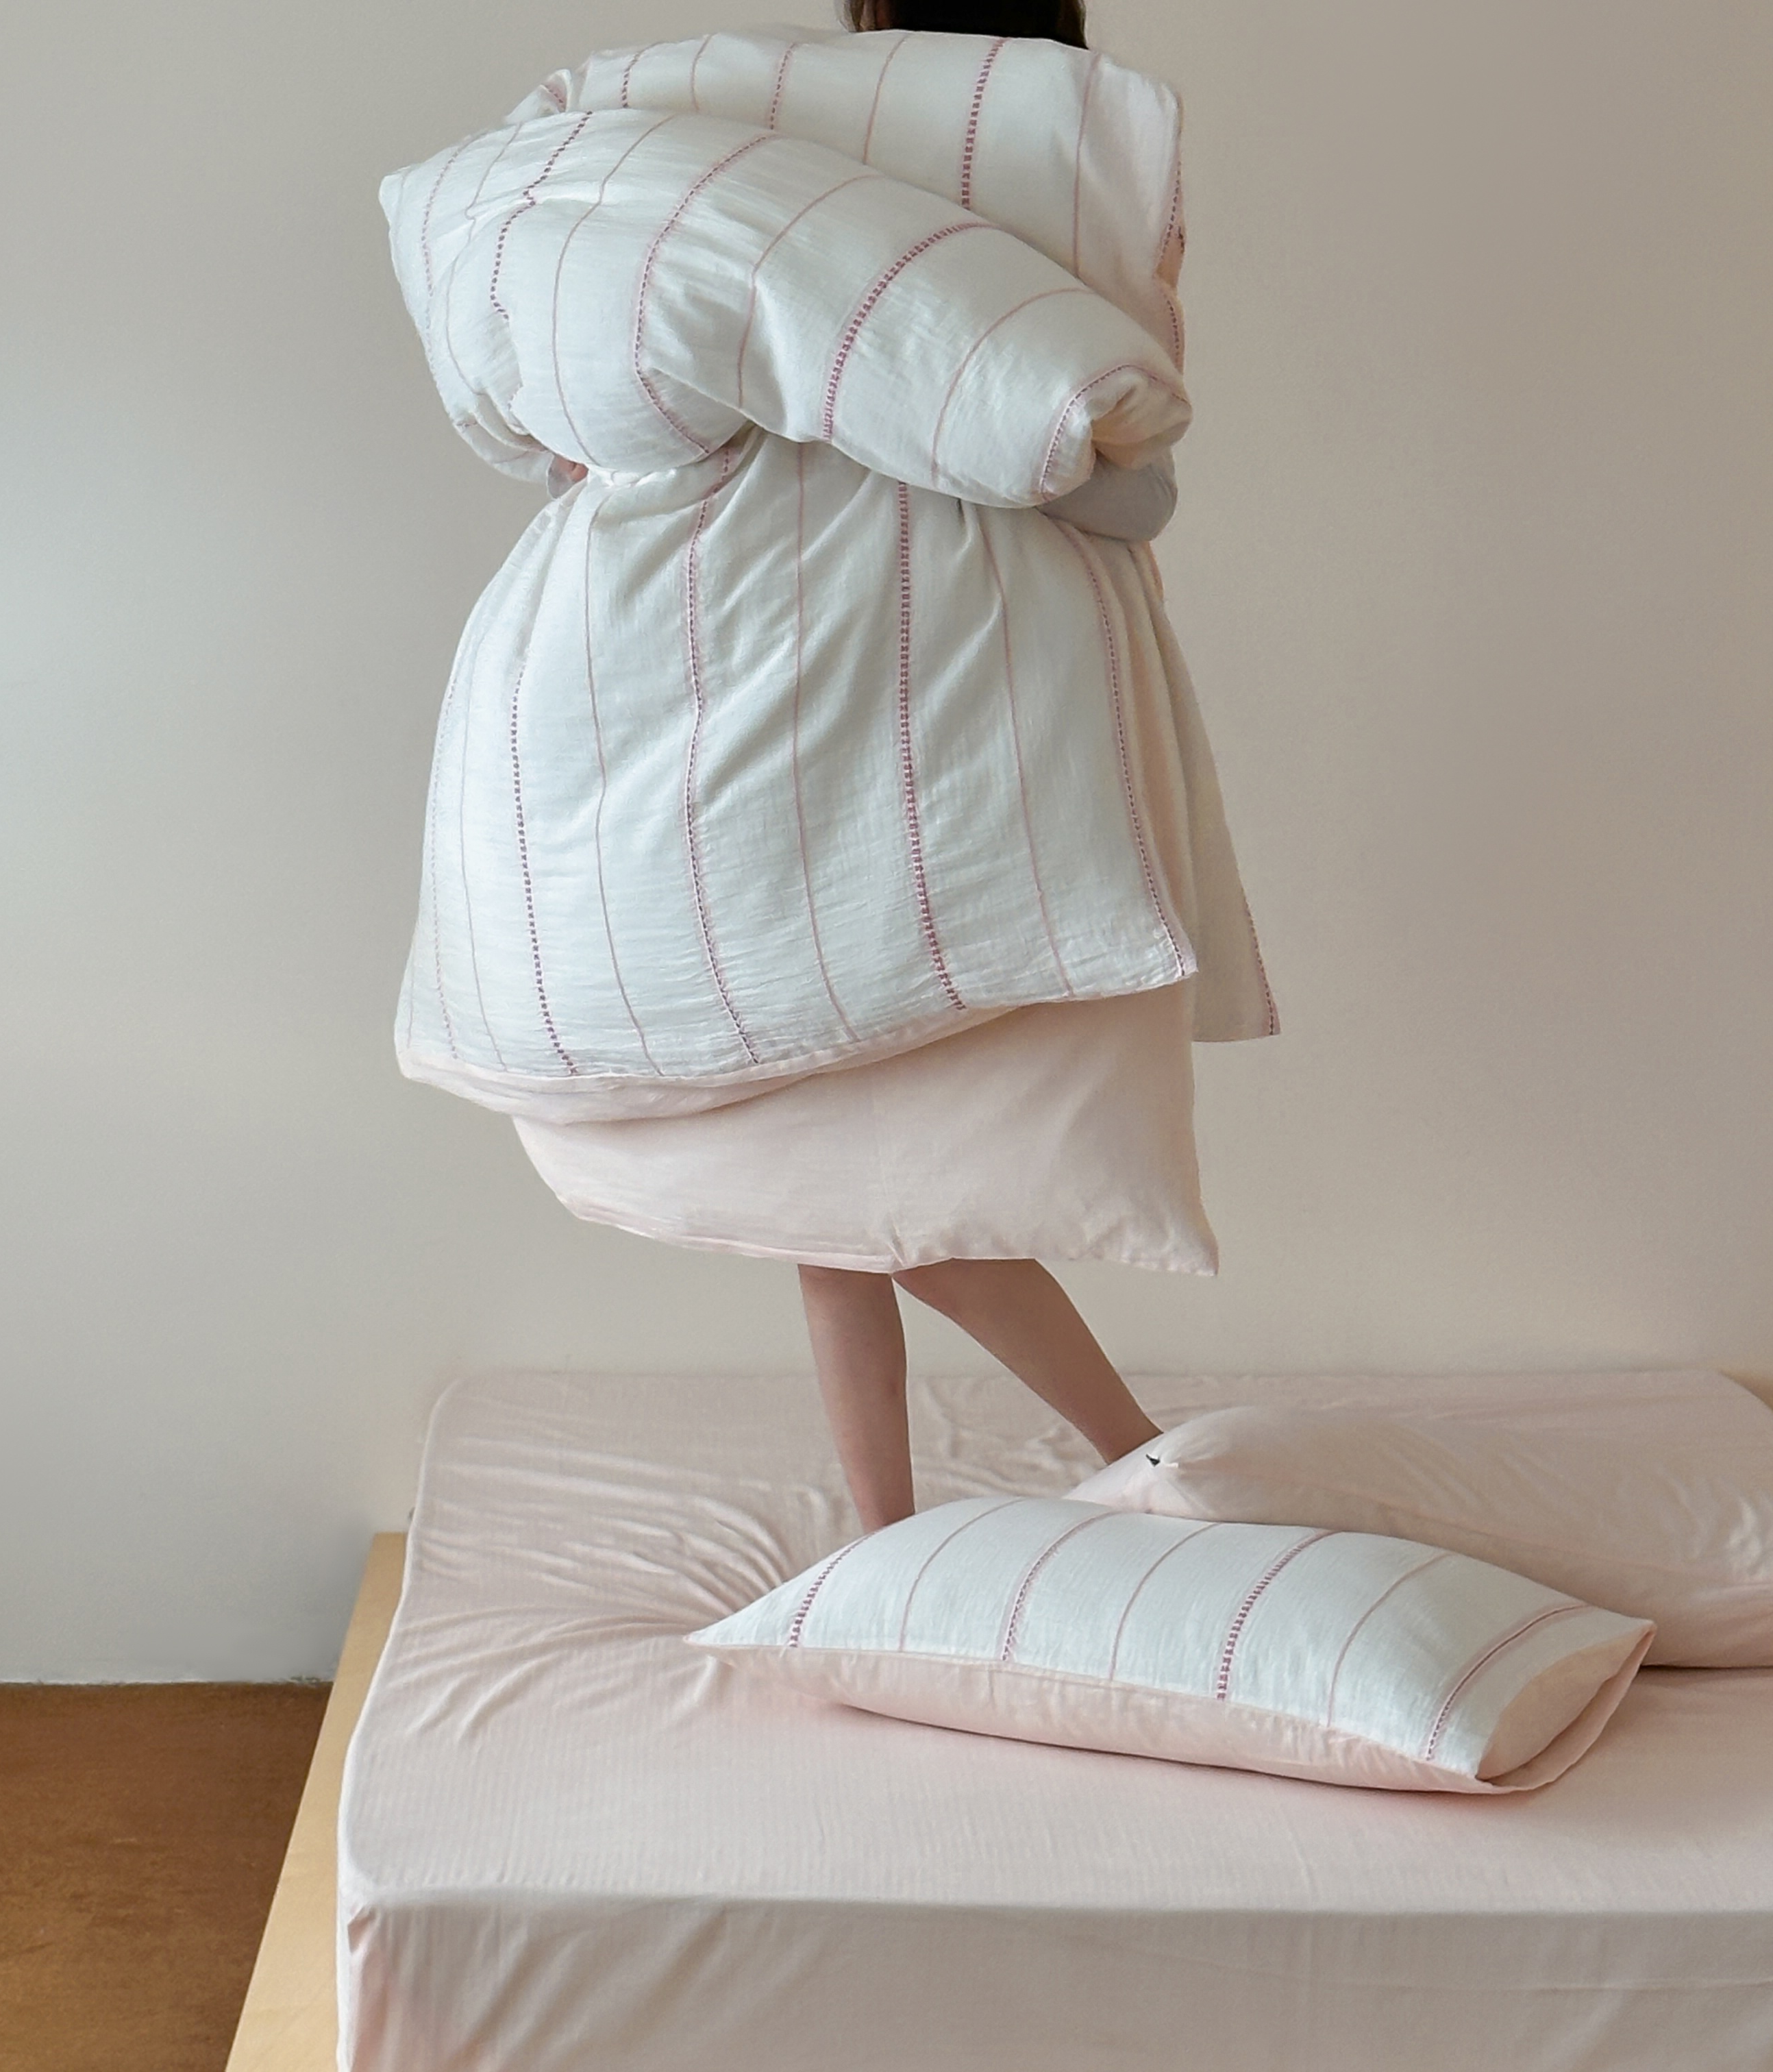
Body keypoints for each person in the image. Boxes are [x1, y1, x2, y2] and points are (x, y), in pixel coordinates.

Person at [384, 1, 1277, 1534]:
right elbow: (1099, 447)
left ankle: (1083, 1468)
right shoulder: (1040, 159)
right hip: (848, 680)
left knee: (857, 1203)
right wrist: (1086, 427)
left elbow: (564, 326)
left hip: (745, 673)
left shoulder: (680, 142)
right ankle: (1065, 1476)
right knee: (848, 1205)